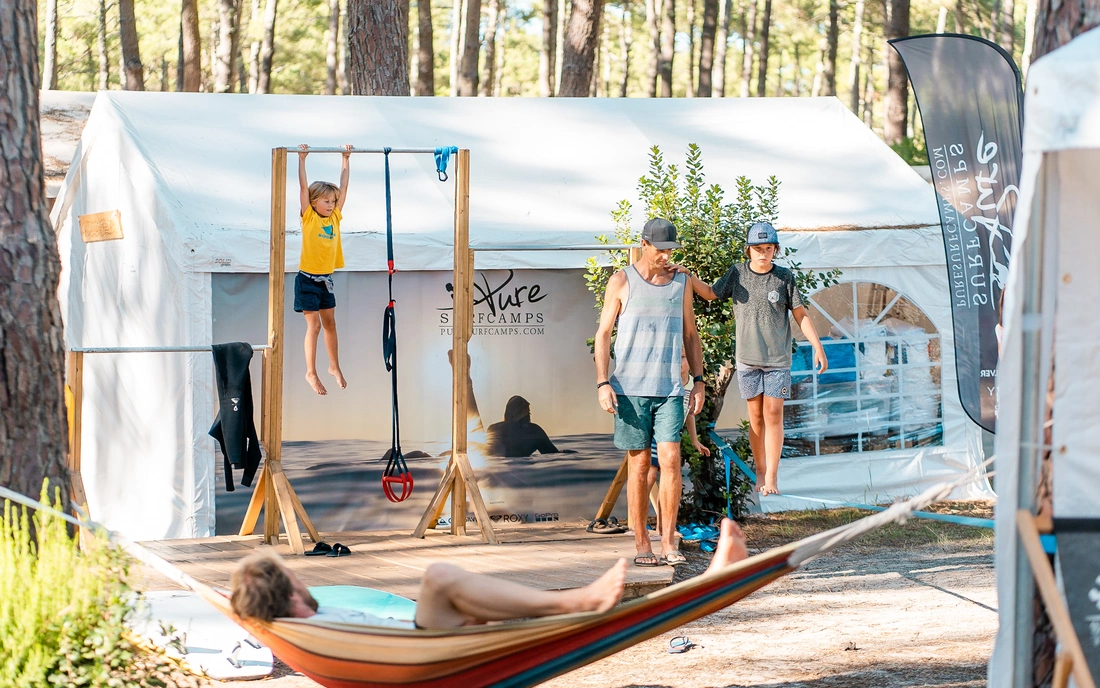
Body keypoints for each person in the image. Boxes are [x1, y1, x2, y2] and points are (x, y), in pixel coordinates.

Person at [228, 519, 749, 627]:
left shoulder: (308, 622)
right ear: (289, 593)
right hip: (415, 650)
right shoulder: (309, 626)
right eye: (294, 578)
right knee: (438, 575)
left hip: (420, 636)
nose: (304, 580)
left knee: (457, 588)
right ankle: (577, 600)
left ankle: (711, 580)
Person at [677, 221, 828, 496]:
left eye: (768, 248)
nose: (763, 253)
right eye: (758, 248)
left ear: (775, 250)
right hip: (747, 360)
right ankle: (760, 469)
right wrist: (689, 276)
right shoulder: (737, 273)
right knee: (756, 417)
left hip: (777, 360)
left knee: (773, 414)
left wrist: (818, 346)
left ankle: (772, 475)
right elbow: (710, 293)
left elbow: (800, 314)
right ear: (748, 249)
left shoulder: (784, 277)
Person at [594, 218, 705, 568]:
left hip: (670, 388)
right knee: (640, 464)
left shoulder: (682, 282)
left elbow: (691, 334)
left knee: (670, 459)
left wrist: (699, 380)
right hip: (629, 390)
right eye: (660, 249)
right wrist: (602, 382)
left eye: (671, 250)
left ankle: (668, 540)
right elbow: (603, 334)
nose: (666, 256)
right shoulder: (621, 281)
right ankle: (642, 543)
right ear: (644, 244)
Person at [295, 143, 352, 396]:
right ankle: (310, 372)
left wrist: (345, 159)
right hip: (307, 280)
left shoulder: (335, 218)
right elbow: (302, 188)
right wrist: (302, 159)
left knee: (330, 324)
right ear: (314, 202)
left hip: (326, 280)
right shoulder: (309, 217)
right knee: (315, 326)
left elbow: (345, 187)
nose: (331, 205)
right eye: (326, 201)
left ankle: (333, 366)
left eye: (333, 201)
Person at [646, 352, 710, 537]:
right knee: (650, 475)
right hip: (656, 433)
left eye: (683, 357)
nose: (679, 362)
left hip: (674, 435)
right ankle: (638, 524)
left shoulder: (692, 385)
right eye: (676, 356)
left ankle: (663, 527)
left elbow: (689, 414)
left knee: (667, 478)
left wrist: (695, 440)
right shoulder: (667, 379)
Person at [485, 396, 565, 457]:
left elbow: (485, 454)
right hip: (524, 469)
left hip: (500, 469)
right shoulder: (534, 431)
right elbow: (552, 454)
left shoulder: (493, 429)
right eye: (527, 412)